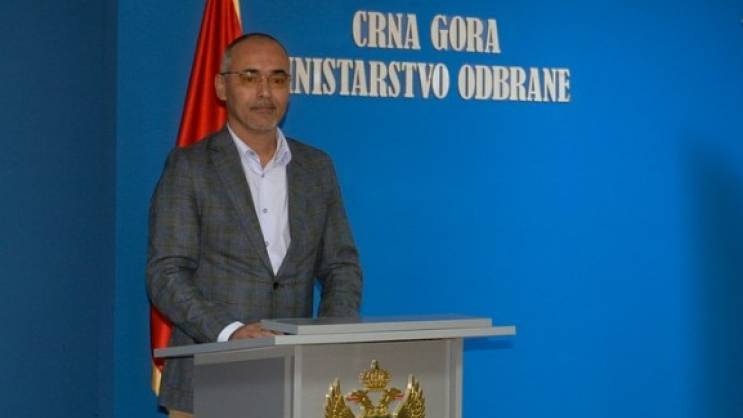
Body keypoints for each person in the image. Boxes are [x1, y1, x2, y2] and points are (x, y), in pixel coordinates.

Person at [146, 33, 363, 417]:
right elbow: (166, 274)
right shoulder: (190, 166)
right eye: (250, 77)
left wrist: (328, 338)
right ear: (221, 86)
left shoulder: (316, 167)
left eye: (277, 79)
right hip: (208, 376)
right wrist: (230, 330)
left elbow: (341, 266)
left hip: (297, 379)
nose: (265, 92)